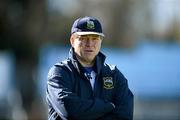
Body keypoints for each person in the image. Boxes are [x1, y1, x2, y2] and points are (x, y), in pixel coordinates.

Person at [46, 16, 134, 120]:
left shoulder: (113, 75)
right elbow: (69, 110)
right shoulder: (60, 72)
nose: (90, 43)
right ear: (72, 40)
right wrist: (108, 106)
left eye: (94, 38)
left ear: (101, 41)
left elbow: (125, 115)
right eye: (83, 38)